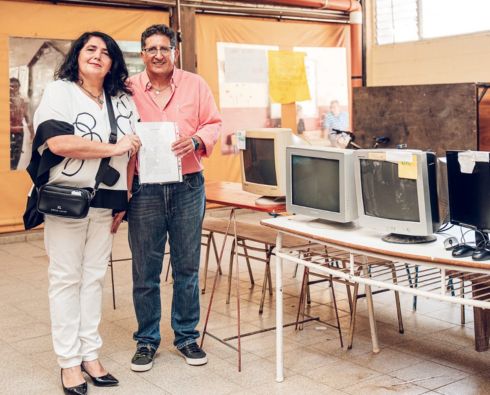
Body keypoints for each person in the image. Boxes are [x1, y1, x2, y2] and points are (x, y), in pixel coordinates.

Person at [25, 32, 141, 395]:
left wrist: (124, 197)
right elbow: (58, 143)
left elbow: (132, 152)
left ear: (113, 63)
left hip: (107, 201)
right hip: (66, 198)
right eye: (90, 49)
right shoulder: (60, 91)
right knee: (65, 278)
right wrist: (113, 145)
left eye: (106, 52)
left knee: (93, 278)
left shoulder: (122, 100)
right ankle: (68, 362)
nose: (97, 56)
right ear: (77, 56)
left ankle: (91, 354)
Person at [127, 24, 221, 371]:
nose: (158, 54)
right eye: (151, 48)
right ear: (143, 54)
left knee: (186, 266)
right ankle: (147, 340)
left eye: (164, 48)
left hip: (188, 184)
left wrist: (196, 141)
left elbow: (213, 123)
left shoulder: (196, 85)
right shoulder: (128, 88)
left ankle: (185, 337)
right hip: (144, 188)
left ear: (174, 52)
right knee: (145, 270)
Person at [10, 77, 34, 170]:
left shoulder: (23, 100)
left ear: (19, 87)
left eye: (15, 86)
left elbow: (27, 116)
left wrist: (32, 132)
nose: (13, 89)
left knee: (15, 158)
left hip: (18, 132)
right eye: (11, 86)